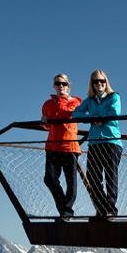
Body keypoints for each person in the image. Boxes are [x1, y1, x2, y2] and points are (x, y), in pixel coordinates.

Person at [72, 69, 122, 217]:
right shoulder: (90, 101)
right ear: (92, 84)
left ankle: (110, 211)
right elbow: (76, 113)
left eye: (102, 81)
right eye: (96, 81)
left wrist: (100, 118)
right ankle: (102, 209)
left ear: (106, 82)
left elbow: (114, 113)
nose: (99, 84)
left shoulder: (114, 97)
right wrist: (92, 117)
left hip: (111, 141)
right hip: (94, 143)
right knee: (93, 177)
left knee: (110, 176)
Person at [40, 73, 82, 220]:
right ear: (54, 86)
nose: (61, 86)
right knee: (49, 179)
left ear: (69, 86)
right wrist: (45, 122)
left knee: (71, 182)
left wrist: (62, 103)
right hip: (52, 146)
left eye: (64, 84)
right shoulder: (47, 104)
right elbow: (47, 126)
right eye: (58, 84)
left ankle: (66, 212)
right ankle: (64, 208)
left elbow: (70, 115)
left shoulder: (75, 102)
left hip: (70, 146)